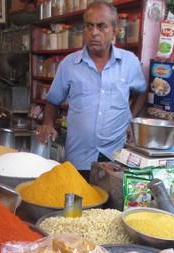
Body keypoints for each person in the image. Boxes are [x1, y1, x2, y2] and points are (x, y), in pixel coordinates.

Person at [36, 1, 147, 178]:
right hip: (79, 159)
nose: (94, 32)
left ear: (114, 30)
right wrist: (48, 124)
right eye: (89, 26)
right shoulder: (69, 64)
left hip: (115, 159)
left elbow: (141, 91)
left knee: (111, 204)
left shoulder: (129, 62)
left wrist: (131, 118)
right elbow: (53, 100)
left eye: (101, 26)